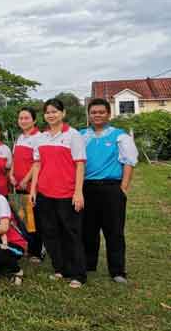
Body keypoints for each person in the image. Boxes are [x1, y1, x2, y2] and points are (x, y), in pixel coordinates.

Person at [29, 98, 87, 288]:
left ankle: (78, 274)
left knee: (71, 233)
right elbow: (37, 164)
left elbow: (80, 164)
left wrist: (78, 192)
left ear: (63, 114)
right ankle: (60, 269)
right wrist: (33, 189)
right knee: (50, 233)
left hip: (66, 193)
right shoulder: (41, 138)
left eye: (55, 111)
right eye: (47, 112)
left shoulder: (73, 135)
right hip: (45, 194)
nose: (51, 115)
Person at [81, 98, 138, 283]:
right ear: (89, 115)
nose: (97, 115)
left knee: (114, 230)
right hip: (86, 187)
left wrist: (123, 188)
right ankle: (89, 264)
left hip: (111, 188)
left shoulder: (119, 136)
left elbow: (129, 162)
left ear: (108, 114)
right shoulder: (82, 135)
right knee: (88, 229)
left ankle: (118, 270)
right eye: (93, 112)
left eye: (101, 112)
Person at [10, 107, 44, 262]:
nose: (23, 121)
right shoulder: (19, 138)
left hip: (31, 186)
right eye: (21, 118)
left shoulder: (39, 137)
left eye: (26, 118)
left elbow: (37, 162)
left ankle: (37, 251)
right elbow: (14, 159)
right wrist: (11, 174)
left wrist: (26, 179)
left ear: (34, 120)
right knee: (24, 219)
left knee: (34, 219)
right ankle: (28, 248)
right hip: (18, 185)